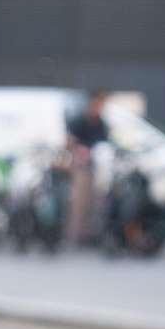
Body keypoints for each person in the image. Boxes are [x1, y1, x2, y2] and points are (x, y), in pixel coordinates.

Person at [65, 88, 111, 246]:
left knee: (97, 201)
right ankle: (75, 237)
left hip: (98, 167)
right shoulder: (80, 120)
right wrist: (79, 152)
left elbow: (106, 144)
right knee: (80, 201)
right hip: (81, 167)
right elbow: (69, 142)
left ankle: (91, 235)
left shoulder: (102, 123)